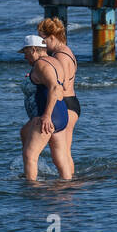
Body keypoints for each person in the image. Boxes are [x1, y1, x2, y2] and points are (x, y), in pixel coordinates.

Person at [19, 34, 71, 181]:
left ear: (34, 49)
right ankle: (67, 187)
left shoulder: (41, 65)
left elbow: (54, 88)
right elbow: (63, 86)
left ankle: (31, 189)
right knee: (60, 158)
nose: (25, 57)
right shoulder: (55, 61)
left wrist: (46, 116)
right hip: (61, 113)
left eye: (26, 52)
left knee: (30, 155)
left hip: (47, 115)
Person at [37, 16, 79, 179]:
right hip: (72, 103)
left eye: (43, 39)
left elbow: (60, 87)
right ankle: (70, 180)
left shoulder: (60, 56)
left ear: (52, 37)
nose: (42, 44)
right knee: (65, 151)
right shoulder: (65, 51)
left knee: (59, 152)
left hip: (66, 105)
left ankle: (66, 183)